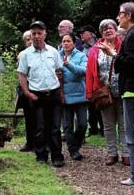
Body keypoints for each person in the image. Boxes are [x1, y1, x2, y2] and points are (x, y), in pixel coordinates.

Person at [100, 2, 134, 187]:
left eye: (120, 14)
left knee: (133, 134)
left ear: (129, 15)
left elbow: (128, 64)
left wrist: (113, 54)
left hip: (133, 89)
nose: (118, 17)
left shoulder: (132, 36)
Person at [17, 21, 65, 167]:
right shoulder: (25, 55)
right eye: (34, 34)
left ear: (45, 34)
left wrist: (61, 92)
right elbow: (22, 75)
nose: (36, 36)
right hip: (36, 95)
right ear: (31, 36)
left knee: (55, 127)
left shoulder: (53, 52)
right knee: (40, 127)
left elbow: (59, 72)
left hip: (54, 92)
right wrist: (26, 92)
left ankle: (57, 156)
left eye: (39, 33)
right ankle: (41, 155)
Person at [86, 19, 129, 166]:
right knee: (108, 125)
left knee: (124, 125)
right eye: (104, 29)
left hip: (122, 90)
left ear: (116, 30)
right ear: (101, 33)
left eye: (110, 28)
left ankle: (126, 153)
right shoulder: (95, 49)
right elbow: (91, 72)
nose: (108, 31)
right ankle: (112, 153)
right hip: (104, 91)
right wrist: (92, 90)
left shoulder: (123, 45)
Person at [60, 33, 88, 161]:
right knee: (67, 126)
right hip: (64, 94)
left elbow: (83, 71)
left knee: (83, 124)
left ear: (74, 43)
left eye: (68, 41)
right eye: (63, 41)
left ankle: (75, 145)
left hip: (80, 94)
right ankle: (73, 150)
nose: (65, 43)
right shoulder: (57, 55)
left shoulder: (81, 55)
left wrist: (68, 65)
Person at [79, 25, 104, 137]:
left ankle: (103, 129)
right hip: (86, 79)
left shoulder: (99, 45)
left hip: (98, 78)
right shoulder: (82, 47)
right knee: (90, 105)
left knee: (100, 103)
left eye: (83, 32)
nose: (81, 35)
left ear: (91, 34)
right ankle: (93, 128)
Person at [18, 30, 36, 152]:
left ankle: (42, 142)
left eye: (31, 38)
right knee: (28, 117)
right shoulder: (22, 55)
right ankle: (30, 142)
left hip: (39, 88)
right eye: (27, 40)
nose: (30, 41)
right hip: (26, 88)